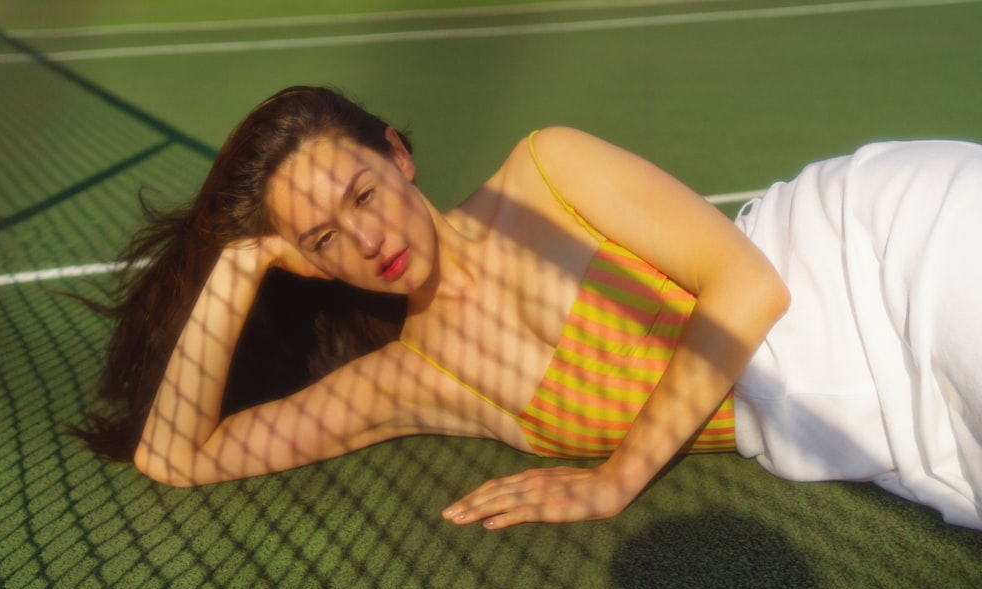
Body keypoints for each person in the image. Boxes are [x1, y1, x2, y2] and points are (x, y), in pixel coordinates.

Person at [75, 86, 982, 531]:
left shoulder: (546, 170)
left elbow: (752, 287)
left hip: (863, 248)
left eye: (361, 191)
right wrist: (238, 269)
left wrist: (611, 480)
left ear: (397, 154)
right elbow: (175, 456)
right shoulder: (406, 380)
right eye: (320, 241)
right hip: (836, 404)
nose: (365, 237)